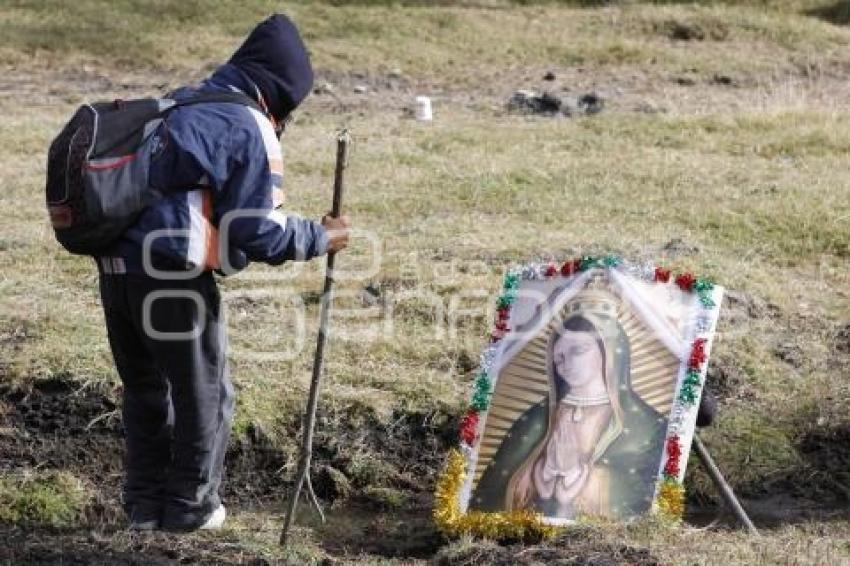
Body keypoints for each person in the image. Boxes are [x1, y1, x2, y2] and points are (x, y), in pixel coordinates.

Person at [96, 14, 350, 532]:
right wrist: (322, 238)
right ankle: (191, 510)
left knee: (147, 390)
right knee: (205, 394)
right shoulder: (248, 123)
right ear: (282, 90)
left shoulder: (182, 100)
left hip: (115, 269)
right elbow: (260, 233)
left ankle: (144, 510)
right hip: (171, 277)